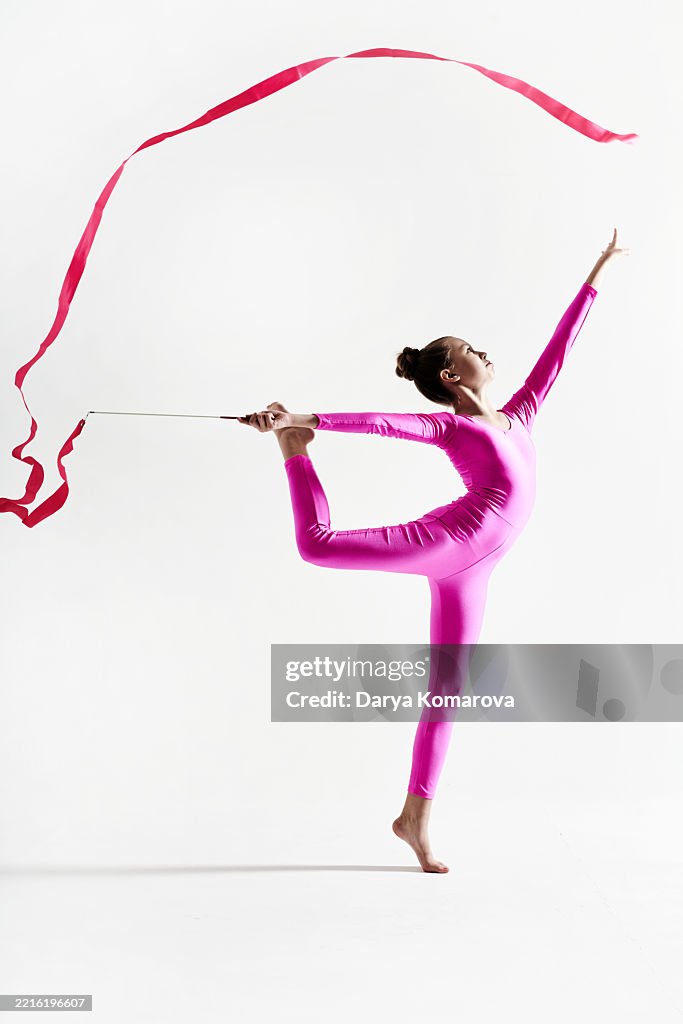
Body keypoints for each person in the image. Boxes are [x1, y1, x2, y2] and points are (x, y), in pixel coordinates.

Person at [239, 229, 629, 872]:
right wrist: (300, 422)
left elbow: (559, 351)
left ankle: (414, 818)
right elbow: (383, 422)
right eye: (471, 349)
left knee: (448, 690)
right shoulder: (450, 427)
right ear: (452, 375)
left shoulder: (520, 413)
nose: (485, 351)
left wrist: (598, 273)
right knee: (317, 546)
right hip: (449, 542)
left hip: (477, 572)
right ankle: (293, 457)